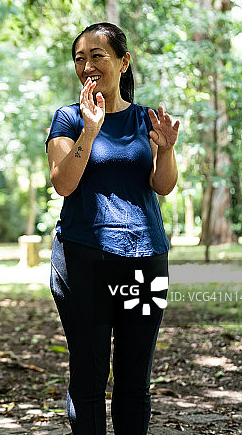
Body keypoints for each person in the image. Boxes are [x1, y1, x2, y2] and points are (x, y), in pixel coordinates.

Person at [45, 22, 180, 434]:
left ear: (123, 62)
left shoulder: (146, 119)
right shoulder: (68, 119)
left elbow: (162, 185)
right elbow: (64, 182)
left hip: (144, 258)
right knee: (88, 376)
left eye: (97, 56)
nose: (87, 65)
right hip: (83, 260)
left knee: (134, 381)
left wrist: (167, 150)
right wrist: (91, 128)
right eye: (79, 58)